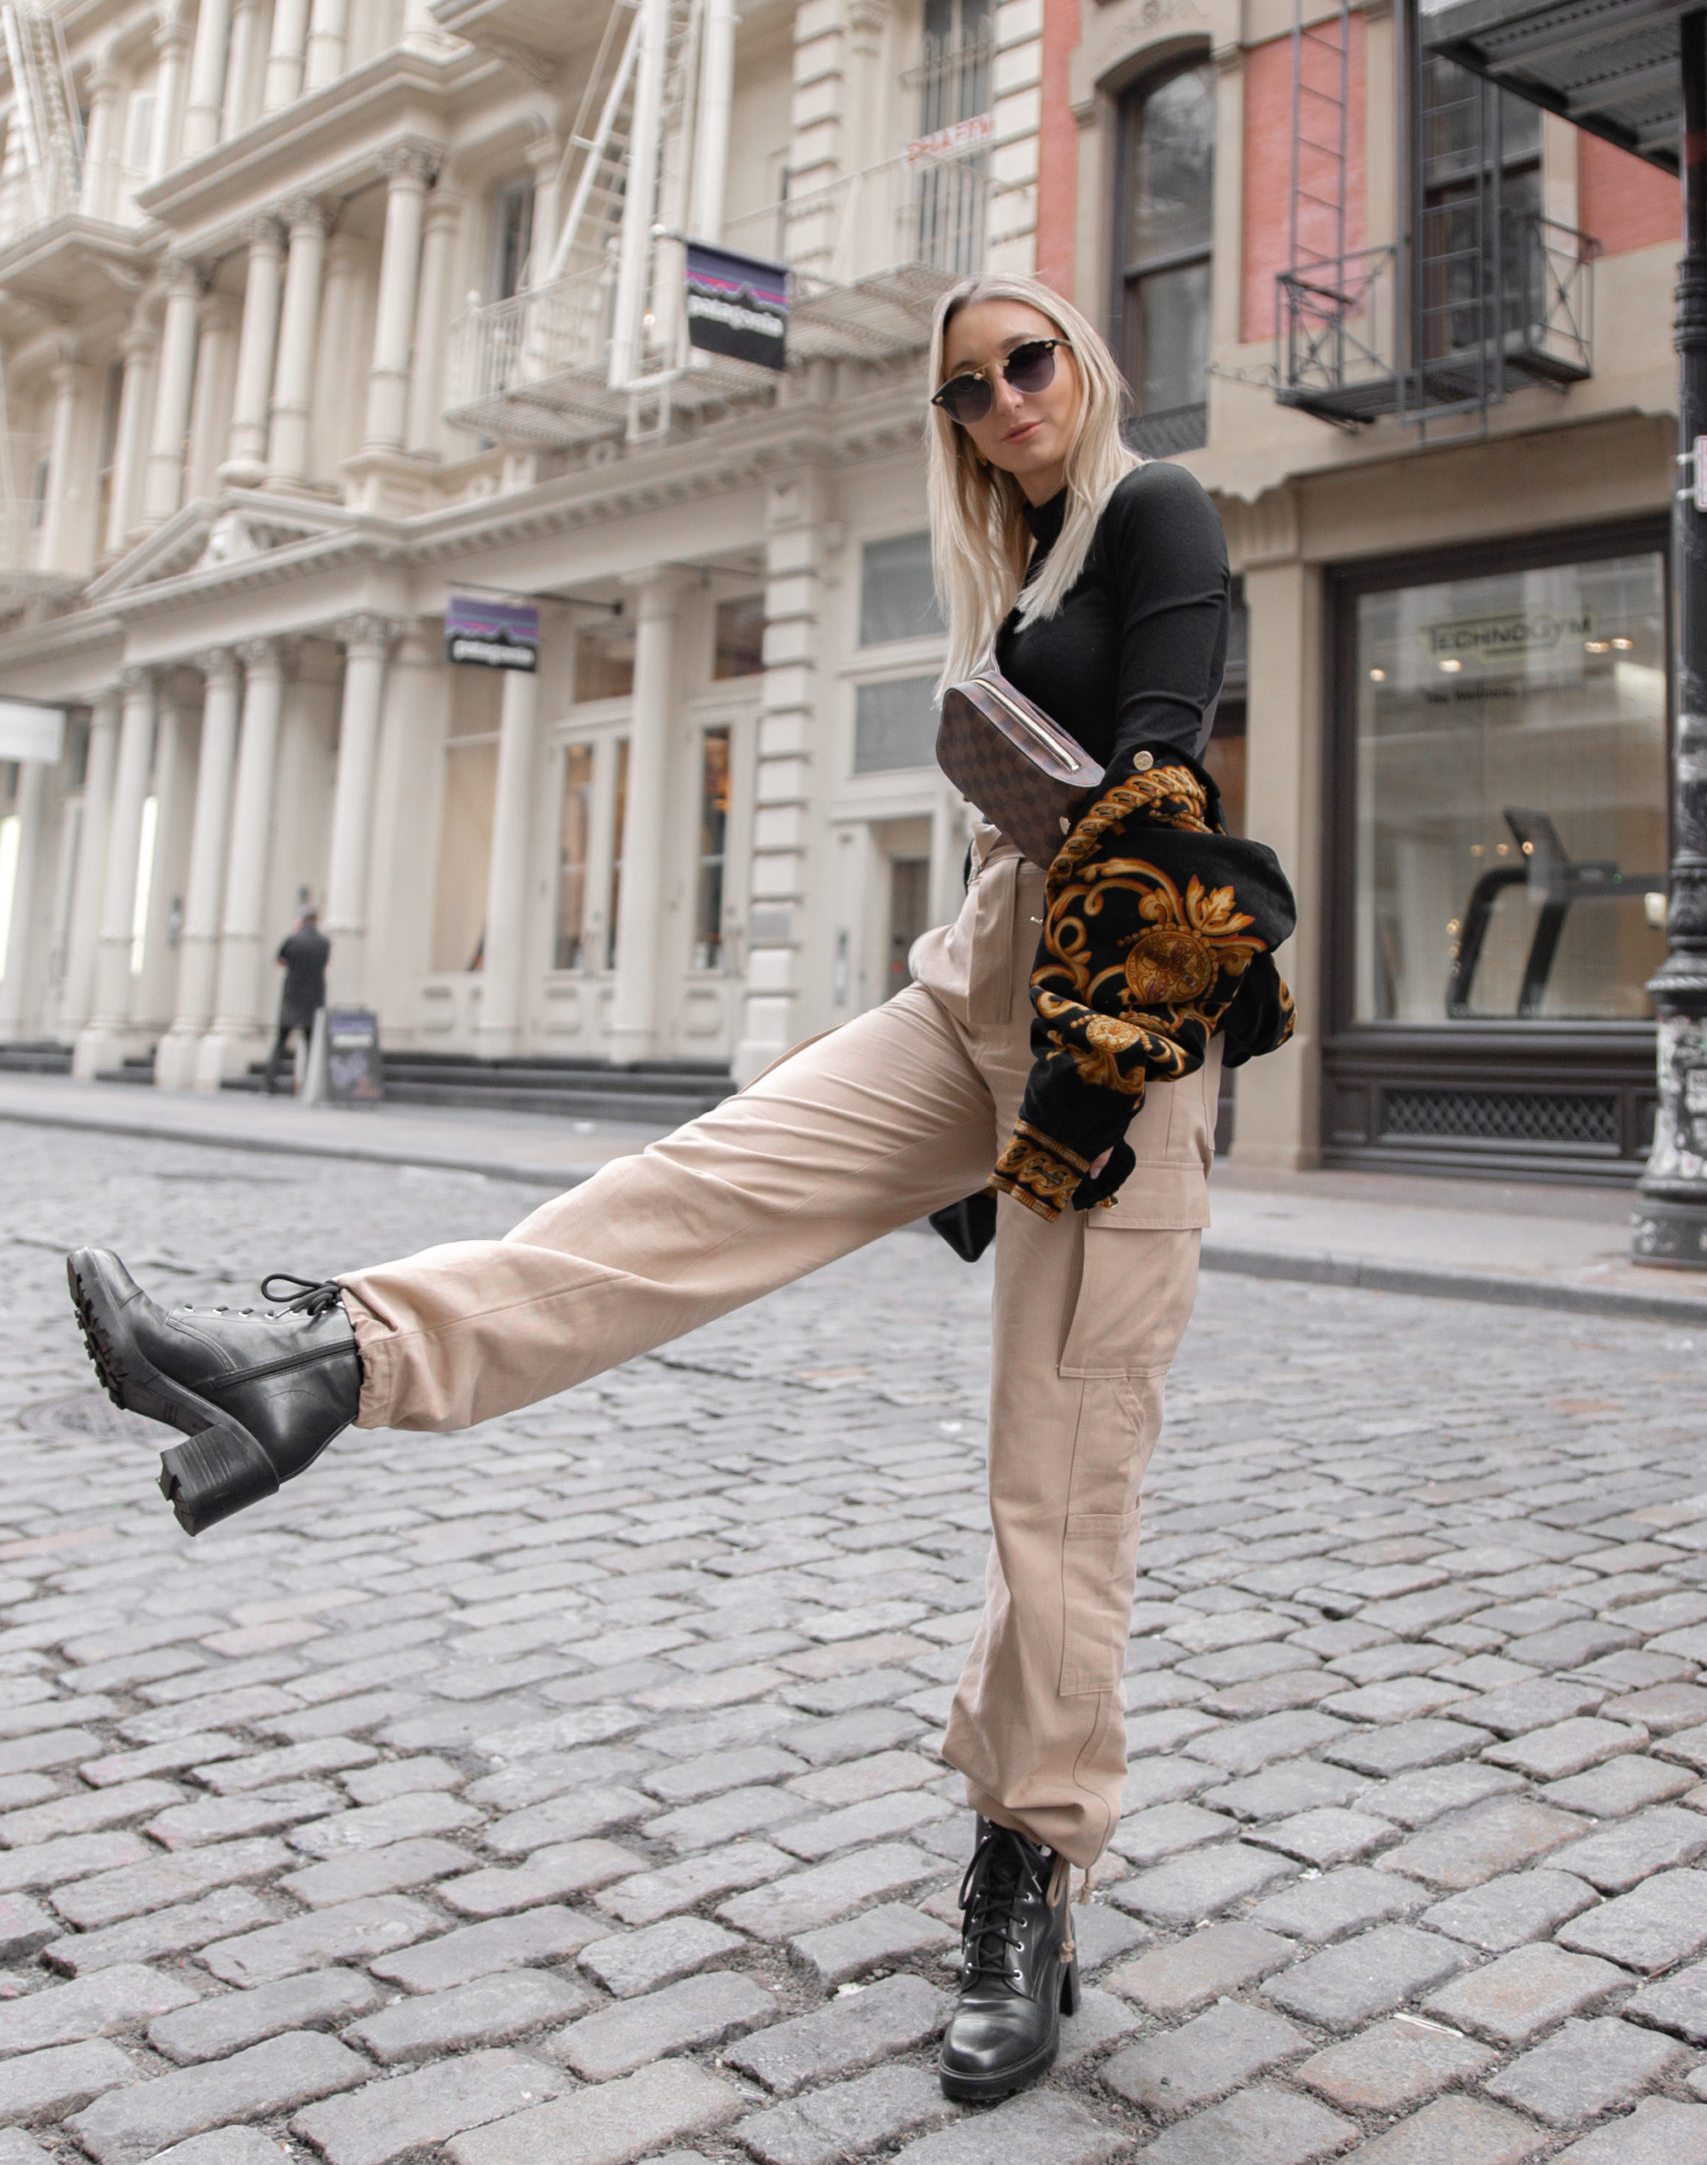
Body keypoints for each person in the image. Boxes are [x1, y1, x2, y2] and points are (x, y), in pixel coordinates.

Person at [62, 276, 1293, 2110]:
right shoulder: (1023, 560)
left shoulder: (1155, 508)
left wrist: (1084, 1077)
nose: (1003, 399)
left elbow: (1162, 766)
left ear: (1082, 362)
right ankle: (327, 1356)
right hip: (976, 976)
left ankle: (1027, 1862)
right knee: (689, 1189)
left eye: (1026, 361)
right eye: (966, 387)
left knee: (1058, 1469)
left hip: (1114, 1016)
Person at [263, 908, 331, 1094]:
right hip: (314, 998)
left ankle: (269, 1084)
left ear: (301, 920)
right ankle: (309, 1085)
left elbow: (280, 960)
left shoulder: (292, 939)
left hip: (292, 996)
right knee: (311, 1044)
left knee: (281, 1042)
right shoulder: (324, 942)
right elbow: (324, 963)